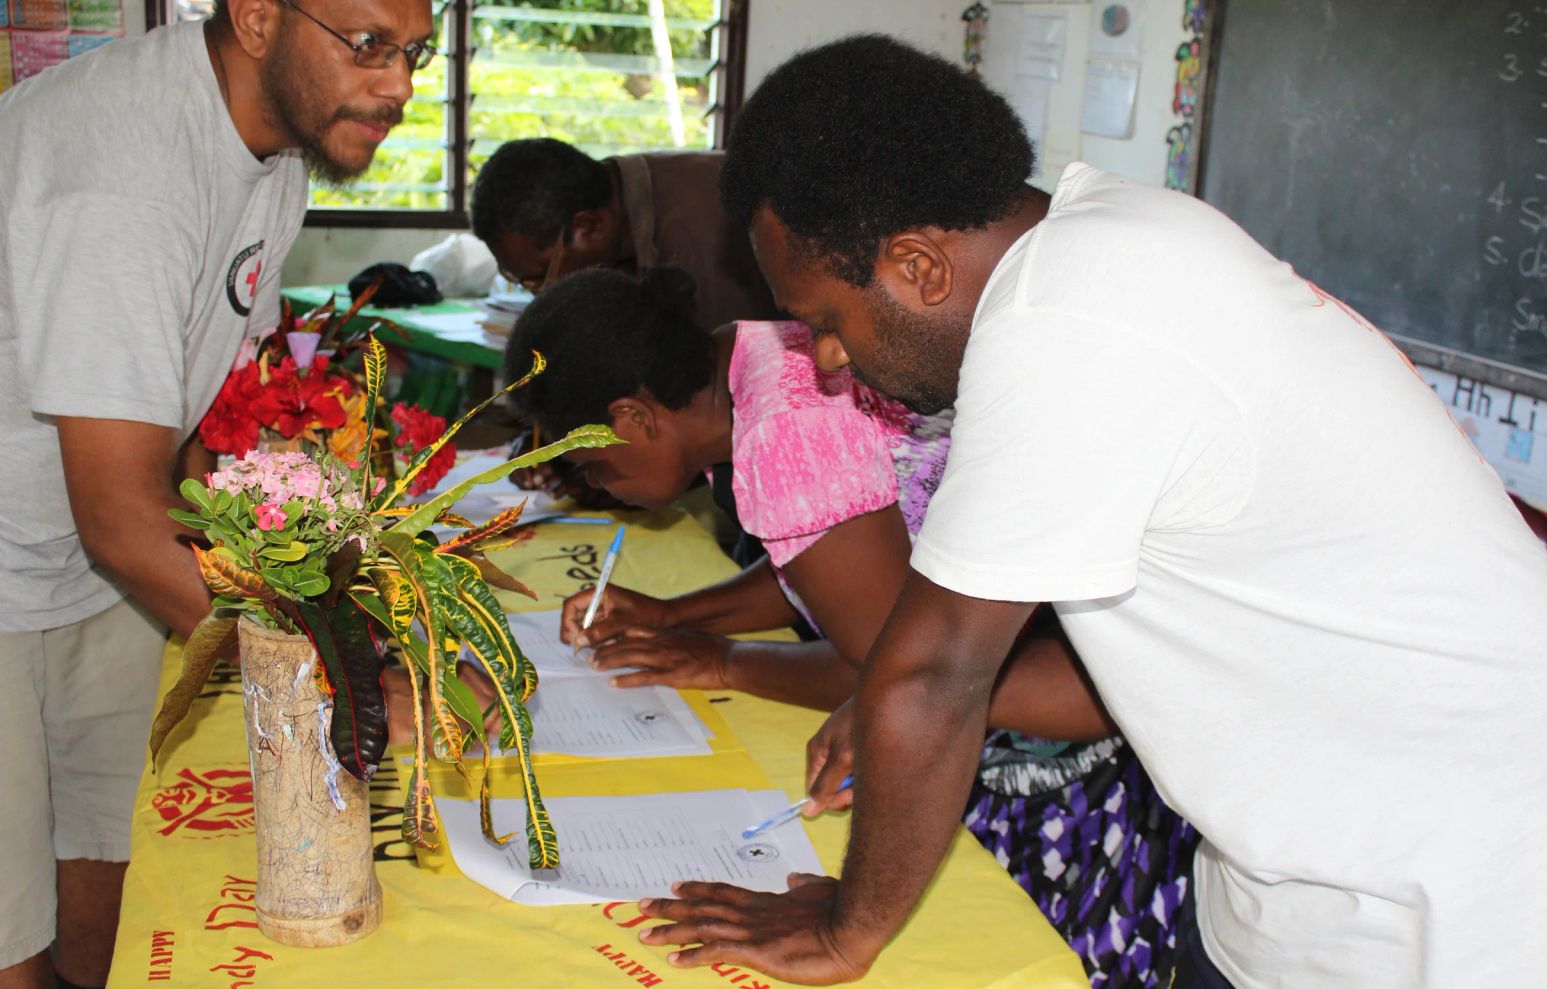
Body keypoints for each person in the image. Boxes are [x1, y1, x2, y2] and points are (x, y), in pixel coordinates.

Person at [628, 35, 1547, 989]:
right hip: (1293, 874)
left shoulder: (1063, 322)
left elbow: (934, 670)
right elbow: (1072, 631)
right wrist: (880, 699)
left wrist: (846, 928)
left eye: (828, 320)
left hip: (1461, 892)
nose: (828, 361)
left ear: (919, 266)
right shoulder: (1106, 250)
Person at [505, 267, 1197, 988]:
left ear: (634, 418)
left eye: (592, 468)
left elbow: (895, 671)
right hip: (1054, 669)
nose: (594, 487)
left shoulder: (781, 432)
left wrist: (723, 660)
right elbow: (835, 558)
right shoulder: (764, 354)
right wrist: (677, 614)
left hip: (1067, 752)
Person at [0, 0, 430, 984]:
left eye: (414, 51)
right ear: (255, 19)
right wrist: (346, 678)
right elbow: (121, 519)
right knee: (9, 936)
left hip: (88, 550)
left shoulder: (271, 153)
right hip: (66, 537)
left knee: (124, 868)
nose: (400, 84)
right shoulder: (129, 169)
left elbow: (212, 427)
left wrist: (339, 583)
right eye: (368, 44)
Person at [470, 138, 781, 329]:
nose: (539, 295)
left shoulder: (700, 242)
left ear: (587, 227)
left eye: (540, 280)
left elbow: (730, 393)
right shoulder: (611, 192)